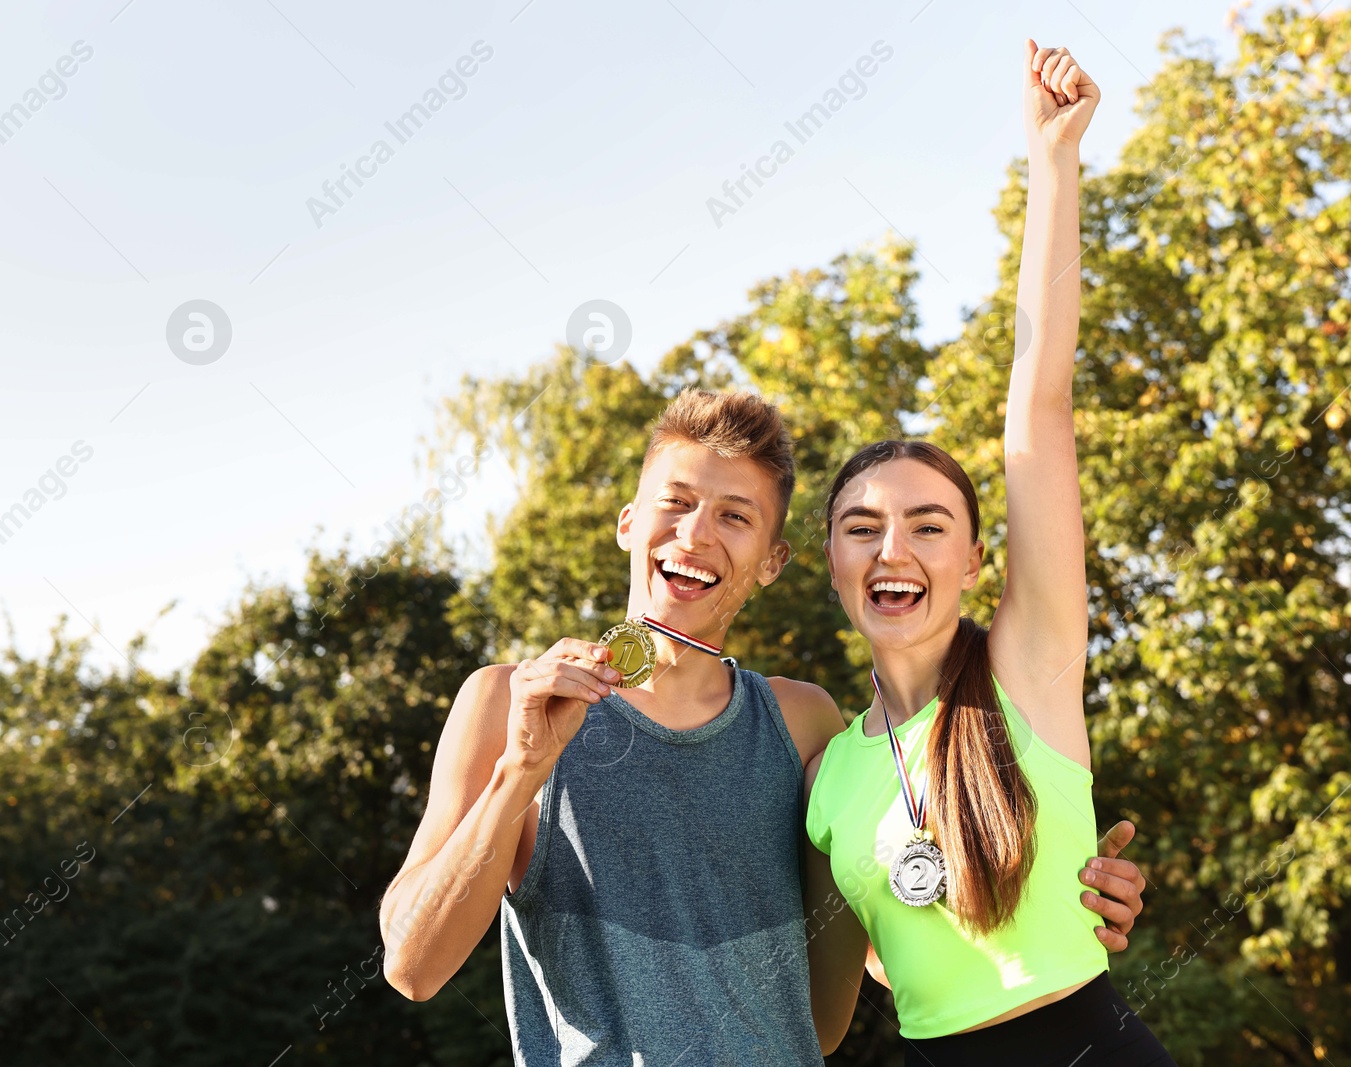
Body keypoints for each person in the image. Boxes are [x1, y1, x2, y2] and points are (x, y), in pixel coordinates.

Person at [378, 239, 1148, 1066]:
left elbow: (842, 981)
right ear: (628, 523)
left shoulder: (805, 726)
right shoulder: (505, 703)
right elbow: (413, 968)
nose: (695, 534)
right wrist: (519, 773)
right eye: (674, 502)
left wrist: (1046, 885)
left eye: (735, 516)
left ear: (773, 561)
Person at [803, 41, 1177, 1066]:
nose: (895, 547)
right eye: (862, 527)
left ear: (974, 559)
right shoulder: (827, 772)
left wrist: (1051, 162)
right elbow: (883, 955)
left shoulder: (1029, 664)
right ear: (832, 562)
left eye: (930, 524)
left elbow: (1037, 409)